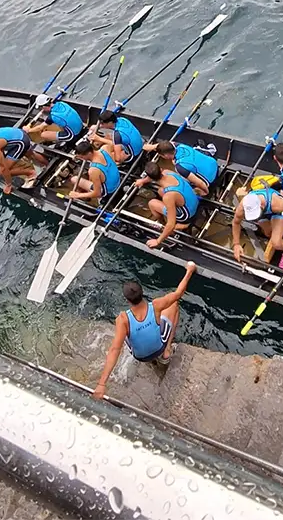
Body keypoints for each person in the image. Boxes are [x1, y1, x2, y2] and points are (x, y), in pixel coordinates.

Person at [92, 261, 197, 400]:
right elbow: (178, 293)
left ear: (127, 300)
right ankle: (166, 351)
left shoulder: (123, 319)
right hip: (159, 348)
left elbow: (114, 350)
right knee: (174, 306)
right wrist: (189, 270)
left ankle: (149, 351)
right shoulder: (155, 305)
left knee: (123, 334)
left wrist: (101, 384)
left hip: (140, 356)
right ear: (142, 293)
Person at [133, 161, 199, 249]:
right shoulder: (168, 172)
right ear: (160, 170)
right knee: (161, 190)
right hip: (193, 201)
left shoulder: (168, 197)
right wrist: (143, 181)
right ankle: (180, 223)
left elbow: (171, 223)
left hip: (187, 215)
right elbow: (153, 177)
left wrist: (157, 241)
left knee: (152, 203)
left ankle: (167, 226)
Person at [144, 140, 218, 196]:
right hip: (214, 163)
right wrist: (150, 147)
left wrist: (205, 192)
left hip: (211, 179)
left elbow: (199, 182)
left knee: (183, 180)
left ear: (166, 155)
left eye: (161, 155)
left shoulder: (180, 167)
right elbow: (168, 143)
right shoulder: (180, 146)